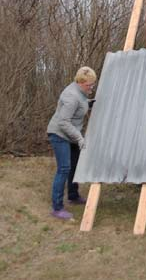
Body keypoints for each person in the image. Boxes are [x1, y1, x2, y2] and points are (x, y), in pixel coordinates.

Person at [47, 66, 97, 220]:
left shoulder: (80, 93)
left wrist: (89, 103)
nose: (91, 87)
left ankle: (73, 196)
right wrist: (79, 138)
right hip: (60, 134)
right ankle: (57, 207)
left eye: (92, 84)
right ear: (81, 82)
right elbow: (63, 122)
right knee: (64, 168)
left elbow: (80, 104)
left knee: (74, 165)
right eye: (89, 85)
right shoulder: (71, 96)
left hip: (71, 134)